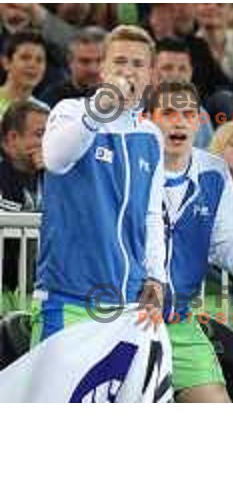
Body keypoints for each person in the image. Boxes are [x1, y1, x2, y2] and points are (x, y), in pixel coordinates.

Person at [33, 25, 166, 347]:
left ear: (150, 75)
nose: (128, 71)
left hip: (128, 302)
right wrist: (98, 111)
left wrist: (156, 275)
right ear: (103, 68)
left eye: (137, 64)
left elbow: (150, 214)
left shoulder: (151, 135)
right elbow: (54, 158)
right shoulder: (71, 111)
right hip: (69, 295)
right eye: (119, 61)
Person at [148, 80, 233, 402]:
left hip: (180, 318)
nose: (179, 121)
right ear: (149, 119)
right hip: (127, 316)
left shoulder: (214, 171)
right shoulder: (132, 165)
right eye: (169, 112)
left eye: (188, 114)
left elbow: (223, 244)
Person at [0, 101, 49, 295]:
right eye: (39, 134)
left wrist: (52, 174)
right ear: (12, 138)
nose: (47, 142)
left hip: (42, 291)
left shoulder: (56, 177)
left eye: (51, 134)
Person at [153, 38, 213, 149]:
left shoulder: (201, 114)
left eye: (182, 69)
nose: (176, 75)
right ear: (152, 71)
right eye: (167, 68)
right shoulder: (136, 109)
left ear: (191, 73)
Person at [41, 27, 106, 107]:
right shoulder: (51, 99)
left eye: (100, 61)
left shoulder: (121, 97)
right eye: (85, 61)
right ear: (69, 61)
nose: (93, 69)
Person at [0, 31, 49, 116]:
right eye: (25, 58)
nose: (33, 65)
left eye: (39, 60)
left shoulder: (44, 110)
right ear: (6, 62)